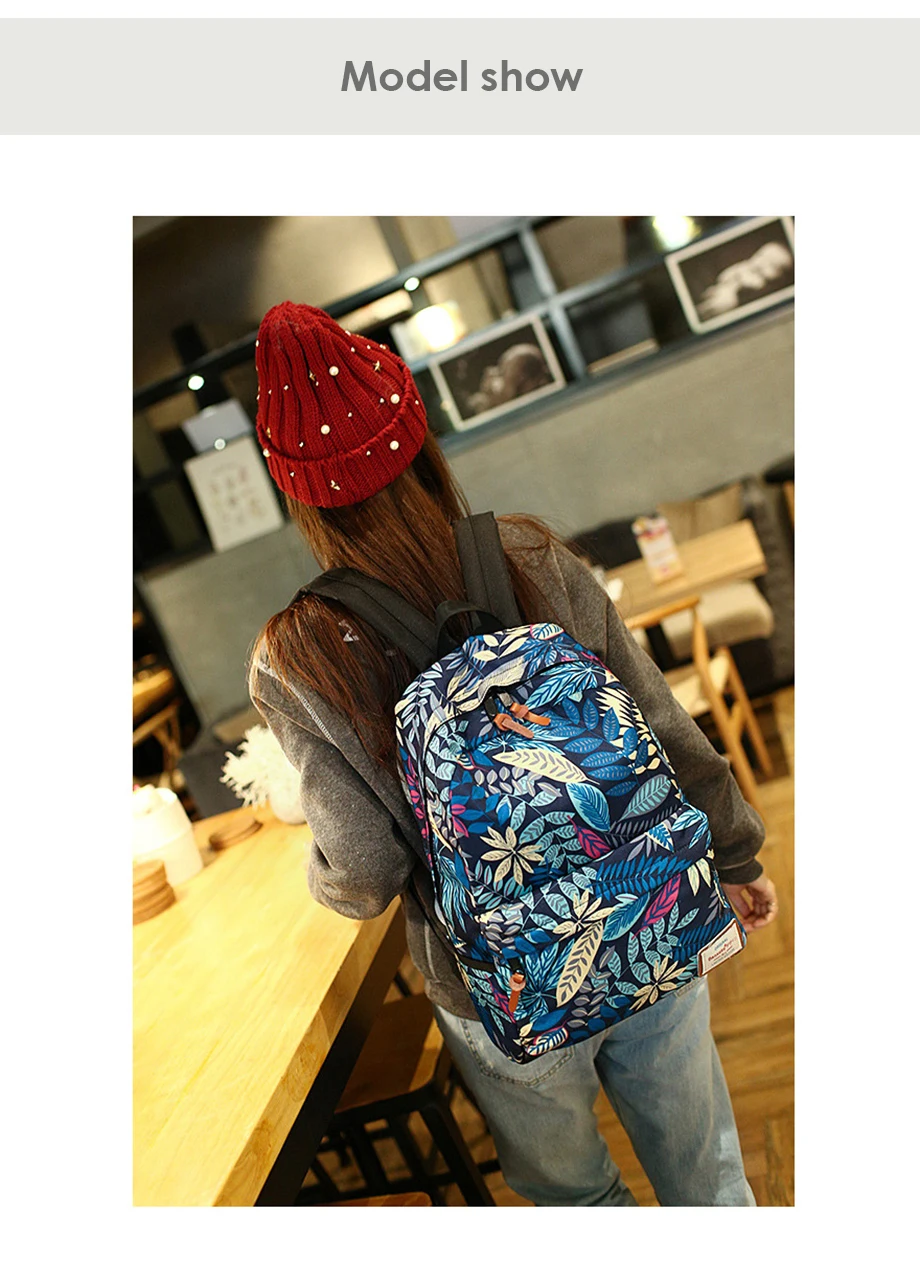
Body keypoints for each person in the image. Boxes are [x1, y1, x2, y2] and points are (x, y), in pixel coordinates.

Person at [248, 301, 779, 1208]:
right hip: (644, 906)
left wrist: (317, 871)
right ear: (419, 442)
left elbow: (366, 873)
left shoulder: (296, 657)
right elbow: (661, 726)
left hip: (495, 980)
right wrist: (735, 855)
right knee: (707, 1173)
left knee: (576, 1198)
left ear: (297, 493)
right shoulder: (528, 554)